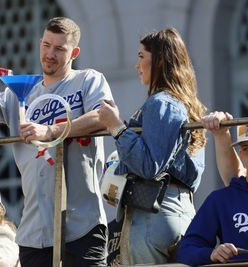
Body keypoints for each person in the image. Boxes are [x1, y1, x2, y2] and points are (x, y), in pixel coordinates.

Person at [0, 16, 112, 266]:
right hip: (33, 233)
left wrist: (51, 130)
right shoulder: (19, 91)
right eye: (46, 45)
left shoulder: (88, 79)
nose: (50, 54)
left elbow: (104, 116)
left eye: (60, 48)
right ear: (40, 43)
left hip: (82, 225)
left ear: (75, 52)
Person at [98, 27, 207, 265]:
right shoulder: (189, 105)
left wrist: (117, 128)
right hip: (183, 212)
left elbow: (150, 166)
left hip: (153, 214)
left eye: (141, 56)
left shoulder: (161, 103)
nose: (137, 65)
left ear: (158, 59)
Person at [176, 125, 248, 266]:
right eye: (247, 149)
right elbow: (186, 250)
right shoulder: (220, 199)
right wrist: (212, 254)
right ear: (241, 154)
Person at [201, 111, 246, 185]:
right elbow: (236, 178)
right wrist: (221, 133)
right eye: (246, 149)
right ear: (241, 154)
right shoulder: (217, 196)